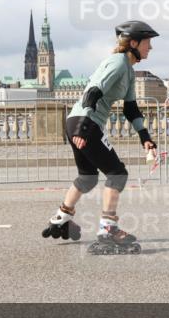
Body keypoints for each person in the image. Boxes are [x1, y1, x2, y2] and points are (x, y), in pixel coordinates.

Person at [42, 21, 159, 254]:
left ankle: (62, 217)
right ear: (133, 43)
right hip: (86, 122)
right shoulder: (117, 63)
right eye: (148, 43)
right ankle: (108, 228)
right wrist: (84, 129)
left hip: (79, 121)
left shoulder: (128, 70)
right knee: (117, 174)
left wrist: (145, 137)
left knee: (87, 178)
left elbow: (131, 109)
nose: (151, 48)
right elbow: (94, 90)